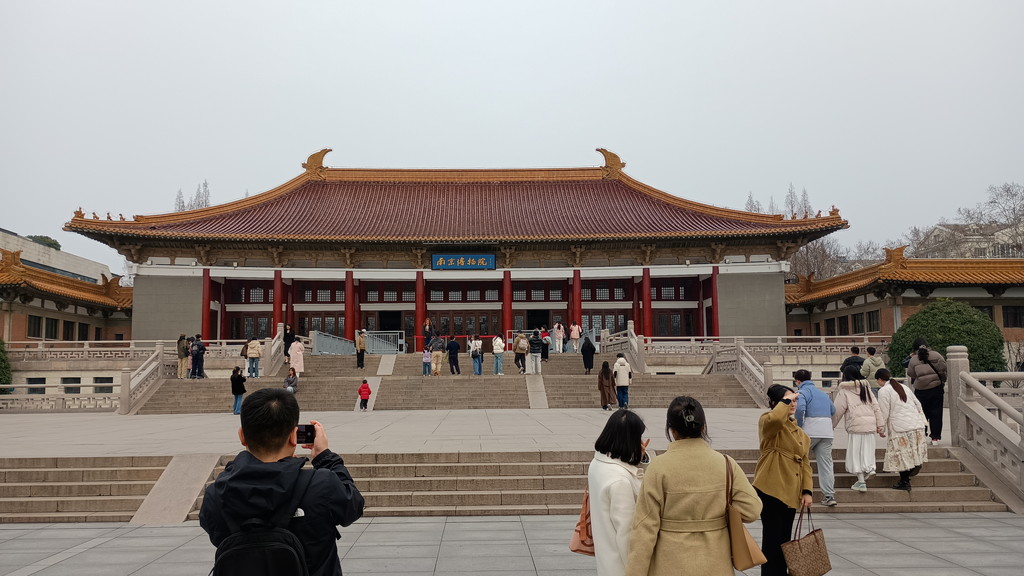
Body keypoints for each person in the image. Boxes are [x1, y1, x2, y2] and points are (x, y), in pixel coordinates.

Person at [199, 388, 364, 576]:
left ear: (242, 436)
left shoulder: (216, 495)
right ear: (294, 436)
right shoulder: (321, 485)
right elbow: (354, 506)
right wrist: (325, 457)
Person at [627, 397, 761, 576]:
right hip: (716, 562)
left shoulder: (658, 467)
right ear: (703, 426)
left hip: (670, 563)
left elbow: (644, 529)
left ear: (672, 430)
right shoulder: (726, 463)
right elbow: (752, 509)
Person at [753, 384, 813, 576]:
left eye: (795, 400)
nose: (792, 403)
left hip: (791, 490)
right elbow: (775, 419)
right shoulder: (768, 422)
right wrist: (784, 403)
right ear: (776, 403)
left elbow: (805, 463)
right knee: (772, 540)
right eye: (788, 400)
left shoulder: (800, 433)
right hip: (770, 487)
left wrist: (807, 490)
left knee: (785, 540)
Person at [587, 409, 647, 576]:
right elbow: (626, 534)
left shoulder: (597, 463)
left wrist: (638, 459)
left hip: (606, 559)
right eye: (638, 437)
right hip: (621, 567)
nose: (641, 441)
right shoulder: (620, 481)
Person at [832, 365, 884, 492]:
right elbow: (876, 407)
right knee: (868, 450)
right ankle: (871, 468)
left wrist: (830, 426)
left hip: (855, 426)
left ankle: (861, 481)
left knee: (856, 454)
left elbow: (837, 411)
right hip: (870, 425)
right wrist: (880, 425)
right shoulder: (866, 389)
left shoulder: (844, 391)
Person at [876, 368, 928, 491]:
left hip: (899, 428)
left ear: (880, 379)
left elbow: (884, 412)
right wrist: (921, 420)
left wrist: (881, 428)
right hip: (915, 425)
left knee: (902, 455)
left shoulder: (884, 391)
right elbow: (918, 404)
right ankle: (913, 469)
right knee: (912, 452)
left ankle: (905, 481)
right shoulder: (904, 387)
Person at [793, 369, 837, 507]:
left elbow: (800, 409)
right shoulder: (823, 394)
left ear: (798, 381)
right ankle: (829, 495)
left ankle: (797, 491)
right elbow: (833, 410)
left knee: (799, 460)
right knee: (826, 464)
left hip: (809, 431)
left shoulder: (803, 393)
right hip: (826, 432)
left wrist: (798, 426)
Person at [906, 337, 947, 445]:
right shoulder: (937, 355)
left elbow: (911, 373)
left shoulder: (914, 359)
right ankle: (935, 438)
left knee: (921, 413)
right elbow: (943, 368)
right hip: (936, 387)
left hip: (921, 390)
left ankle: (922, 435)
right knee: (936, 413)